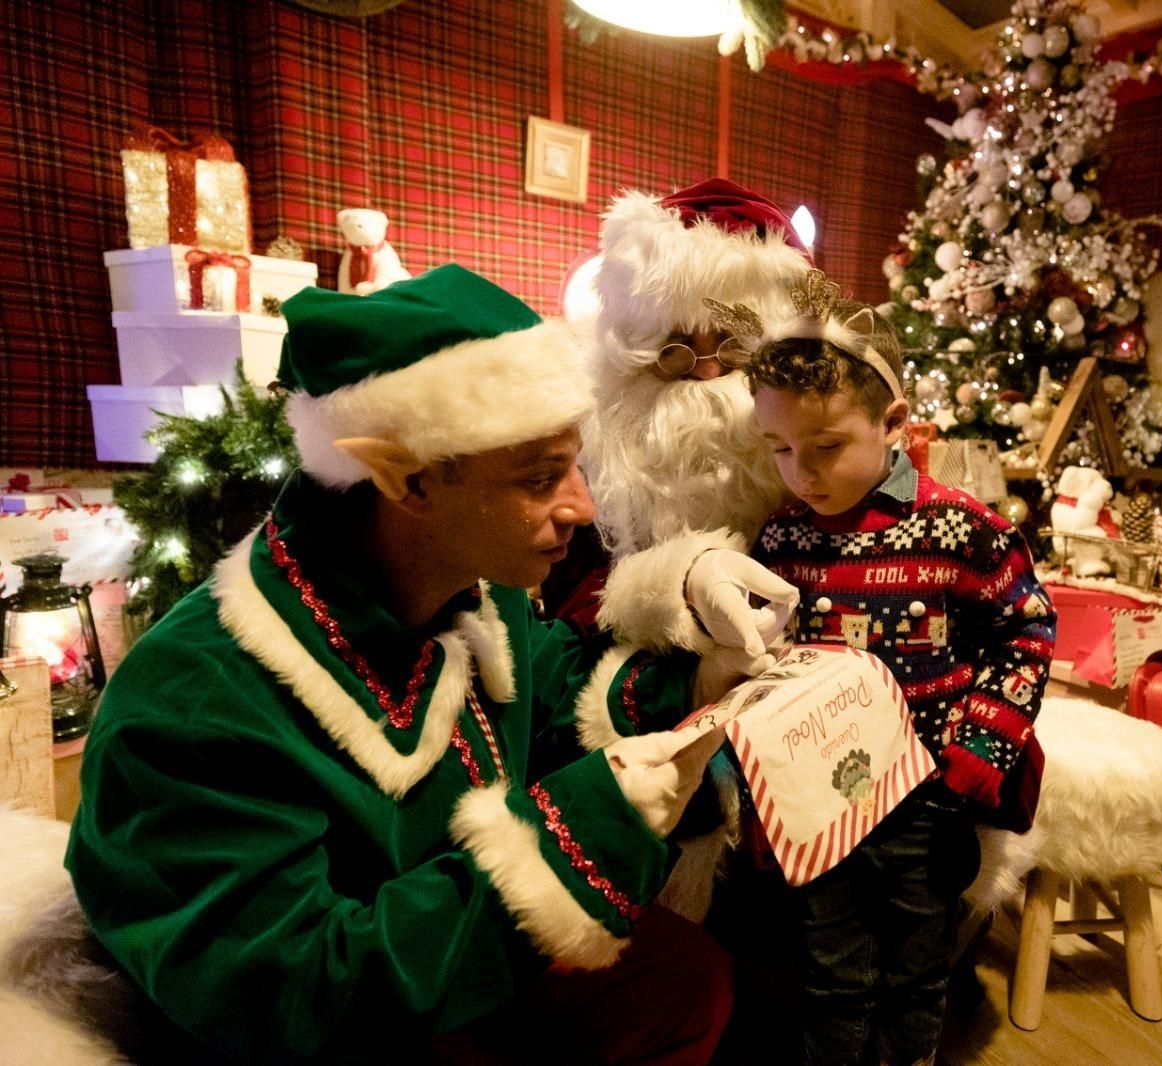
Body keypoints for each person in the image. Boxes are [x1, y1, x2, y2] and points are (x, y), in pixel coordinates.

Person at [65, 265, 741, 1065]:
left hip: (441, 967)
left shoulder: (473, 592)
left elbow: (551, 687)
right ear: (406, 477)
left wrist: (699, 682)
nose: (580, 507)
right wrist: (578, 833)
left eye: (574, 465)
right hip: (329, 1027)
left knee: (680, 980)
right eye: (539, 478)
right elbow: (297, 993)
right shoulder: (193, 705)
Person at [738, 272, 1058, 1066]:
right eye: (780, 449)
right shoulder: (781, 540)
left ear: (892, 423)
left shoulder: (961, 530)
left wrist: (983, 748)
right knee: (831, 974)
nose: (801, 472)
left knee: (918, 971)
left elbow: (1026, 629)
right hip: (820, 802)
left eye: (825, 447)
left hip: (926, 799)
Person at [549, 178, 810, 919]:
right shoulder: (596, 467)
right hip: (645, 726)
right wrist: (670, 599)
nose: (704, 373)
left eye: (730, 348)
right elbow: (575, 611)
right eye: (672, 352)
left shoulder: (816, 464)